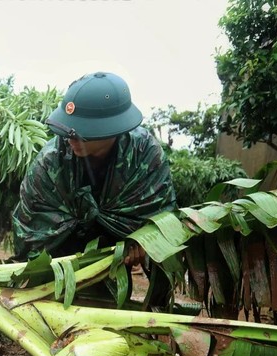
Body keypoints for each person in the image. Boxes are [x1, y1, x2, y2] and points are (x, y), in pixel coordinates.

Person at [11, 71, 177, 306]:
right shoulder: (50, 163)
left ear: (113, 130)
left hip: (115, 261)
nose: (71, 138)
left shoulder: (144, 155)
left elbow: (161, 213)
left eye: (81, 132)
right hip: (61, 260)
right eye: (68, 130)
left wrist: (143, 239)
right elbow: (29, 228)